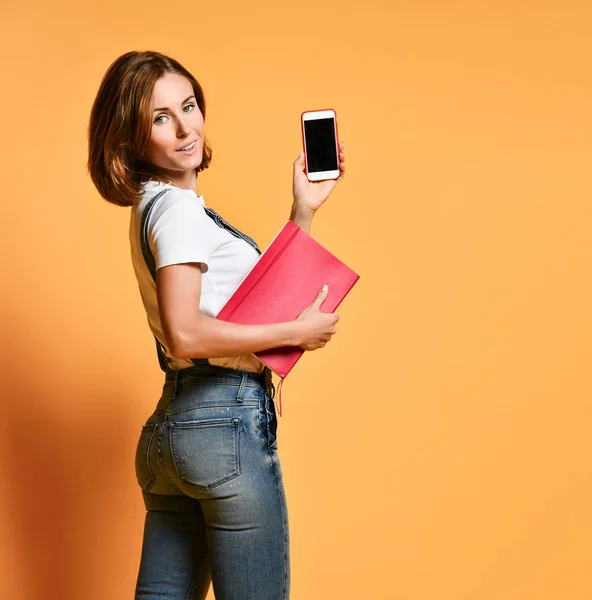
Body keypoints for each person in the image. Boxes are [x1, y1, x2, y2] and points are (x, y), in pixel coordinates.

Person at [86, 50, 346, 600]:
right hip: (223, 425)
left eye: (188, 106)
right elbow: (186, 332)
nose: (185, 128)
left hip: (172, 433)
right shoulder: (178, 212)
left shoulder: (157, 206)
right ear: (131, 137)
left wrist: (304, 212)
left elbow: (243, 306)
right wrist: (294, 335)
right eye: (160, 118)